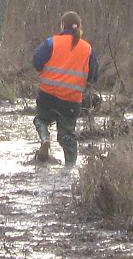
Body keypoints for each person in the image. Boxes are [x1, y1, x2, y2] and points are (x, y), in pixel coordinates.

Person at [32, 11, 98, 167]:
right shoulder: (87, 49)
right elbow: (93, 76)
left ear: (62, 25)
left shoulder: (51, 42)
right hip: (71, 100)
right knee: (67, 136)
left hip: (48, 96)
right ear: (80, 27)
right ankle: (69, 170)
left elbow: (36, 62)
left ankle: (45, 139)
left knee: (40, 120)